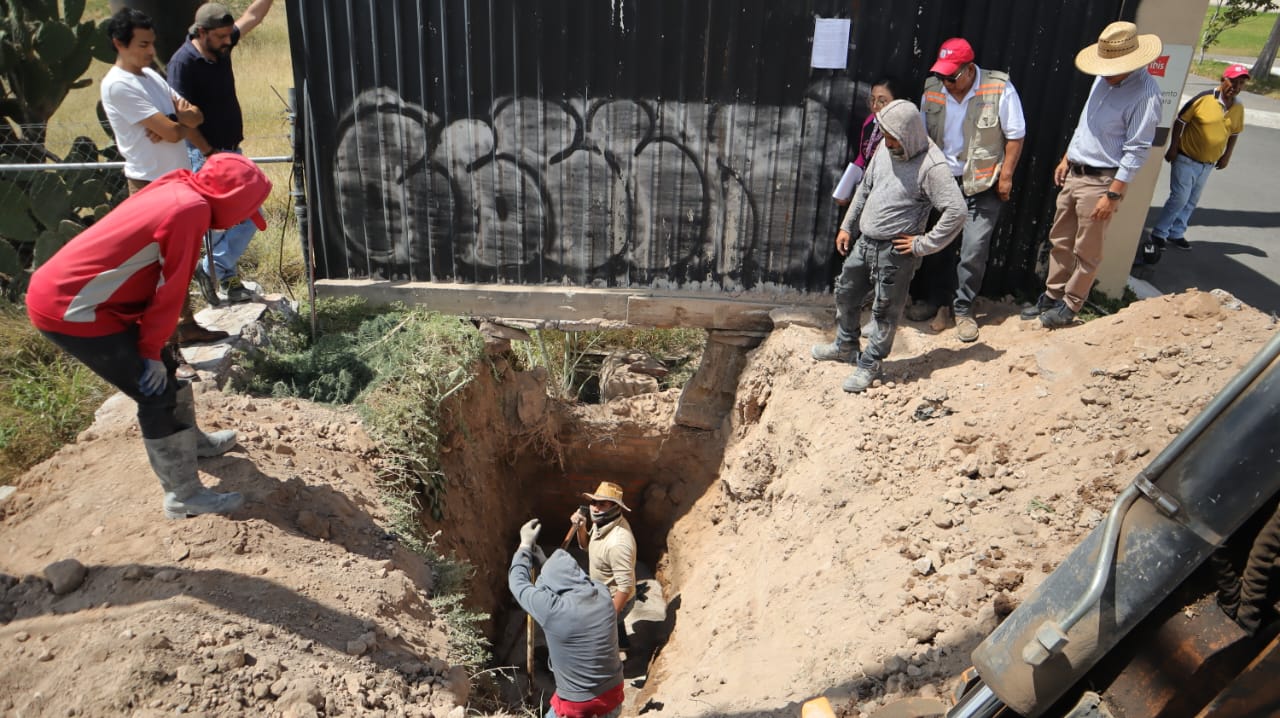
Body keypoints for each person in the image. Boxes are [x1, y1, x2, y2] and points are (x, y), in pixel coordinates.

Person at [25, 154, 272, 520]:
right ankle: (183, 496)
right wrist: (149, 349)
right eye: (243, 212)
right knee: (153, 390)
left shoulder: (181, 186)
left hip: (92, 299)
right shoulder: (189, 211)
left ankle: (191, 444)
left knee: (167, 367)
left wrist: (157, 349)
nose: (239, 221)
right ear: (230, 199)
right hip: (73, 308)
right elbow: (170, 289)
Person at [101, 7, 228, 370]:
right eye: (142, 45)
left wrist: (176, 123)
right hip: (150, 185)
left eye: (151, 43)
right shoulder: (119, 84)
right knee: (158, 272)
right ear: (119, 44)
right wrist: (177, 123)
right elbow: (176, 130)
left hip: (177, 181)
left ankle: (185, 326)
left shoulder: (151, 77)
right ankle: (165, 351)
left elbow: (194, 116)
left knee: (179, 264)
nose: (150, 51)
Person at [810, 99, 965, 393]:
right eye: (886, 135)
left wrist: (923, 244)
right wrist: (847, 226)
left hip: (896, 251)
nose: (888, 142)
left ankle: (870, 363)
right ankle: (845, 345)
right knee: (846, 292)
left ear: (908, 134)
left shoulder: (932, 166)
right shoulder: (885, 147)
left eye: (893, 137)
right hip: (865, 242)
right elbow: (865, 188)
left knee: (885, 310)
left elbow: (956, 211)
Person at [1022, 22, 1162, 329]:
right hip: (1076, 171)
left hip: (1102, 180)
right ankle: (1052, 295)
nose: (1106, 72)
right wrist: (1067, 157)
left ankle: (1071, 304)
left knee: (1087, 249)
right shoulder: (1103, 78)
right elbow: (1086, 123)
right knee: (1060, 240)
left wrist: (1112, 194)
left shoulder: (1146, 95)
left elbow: (1137, 150)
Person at [910, 38, 1026, 343]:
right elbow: (921, 137)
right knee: (938, 245)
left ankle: (963, 309)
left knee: (974, 249)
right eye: (942, 76)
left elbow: (1016, 135)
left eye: (952, 77)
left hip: (983, 183)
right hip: (943, 183)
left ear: (970, 69)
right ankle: (935, 301)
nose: (946, 83)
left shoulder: (999, 89)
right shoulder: (932, 90)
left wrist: (1006, 176)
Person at [167, 0, 274, 305]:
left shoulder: (221, 46)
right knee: (228, 220)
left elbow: (253, 16)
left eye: (229, 35)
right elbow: (182, 118)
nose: (229, 41)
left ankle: (217, 271)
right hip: (205, 156)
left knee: (247, 216)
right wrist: (208, 152)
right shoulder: (183, 63)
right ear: (201, 32)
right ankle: (216, 272)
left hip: (230, 152)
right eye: (221, 36)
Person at [509, 519, 625, 718]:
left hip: (577, 705)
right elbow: (573, 579)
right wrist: (547, 564)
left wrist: (525, 546)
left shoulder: (553, 610)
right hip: (613, 695)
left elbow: (517, 583)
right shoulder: (603, 594)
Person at [1147, 63, 1248, 254]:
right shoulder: (1204, 98)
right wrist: (1173, 147)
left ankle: (1176, 232)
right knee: (1180, 197)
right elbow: (1181, 120)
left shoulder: (1238, 107)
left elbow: (1234, 133)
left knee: (1192, 200)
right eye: (1233, 81)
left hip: (1208, 164)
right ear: (1223, 79)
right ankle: (1159, 233)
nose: (1236, 86)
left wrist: (1227, 155)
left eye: (1241, 83)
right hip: (1186, 158)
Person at [570, 481, 637, 651]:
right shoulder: (603, 522)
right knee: (613, 624)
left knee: (593, 635)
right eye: (594, 502)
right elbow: (587, 545)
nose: (595, 508)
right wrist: (581, 527)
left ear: (616, 508)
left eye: (602, 504)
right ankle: (621, 642)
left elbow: (625, 587)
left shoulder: (618, 543)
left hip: (615, 599)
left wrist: (607, 618)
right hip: (604, 591)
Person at [834, 78, 900, 206]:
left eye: (882, 101)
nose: (875, 106)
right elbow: (862, 156)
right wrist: (845, 188)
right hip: (866, 188)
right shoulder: (870, 121)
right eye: (872, 99)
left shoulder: (901, 129)